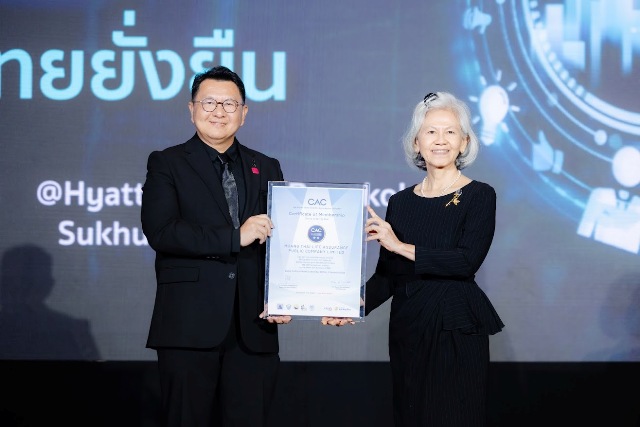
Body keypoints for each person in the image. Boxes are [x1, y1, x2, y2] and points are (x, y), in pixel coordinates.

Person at [322, 91, 504, 426]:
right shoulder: (400, 202)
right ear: (417, 142)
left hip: (454, 328)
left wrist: (400, 245)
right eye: (431, 131)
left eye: (450, 132)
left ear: (464, 142)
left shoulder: (479, 195)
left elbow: (465, 262)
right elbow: (388, 276)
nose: (440, 140)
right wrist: (349, 306)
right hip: (409, 328)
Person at [141, 65, 291, 427]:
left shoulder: (266, 166)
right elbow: (162, 231)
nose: (219, 111)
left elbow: (282, 240)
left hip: (253, 328)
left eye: (229, 104)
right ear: (191, 109)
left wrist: (285, 295)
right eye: (209, 102)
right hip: (188, 327)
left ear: (244, 113)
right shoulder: (167, 163)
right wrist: (235, 237)